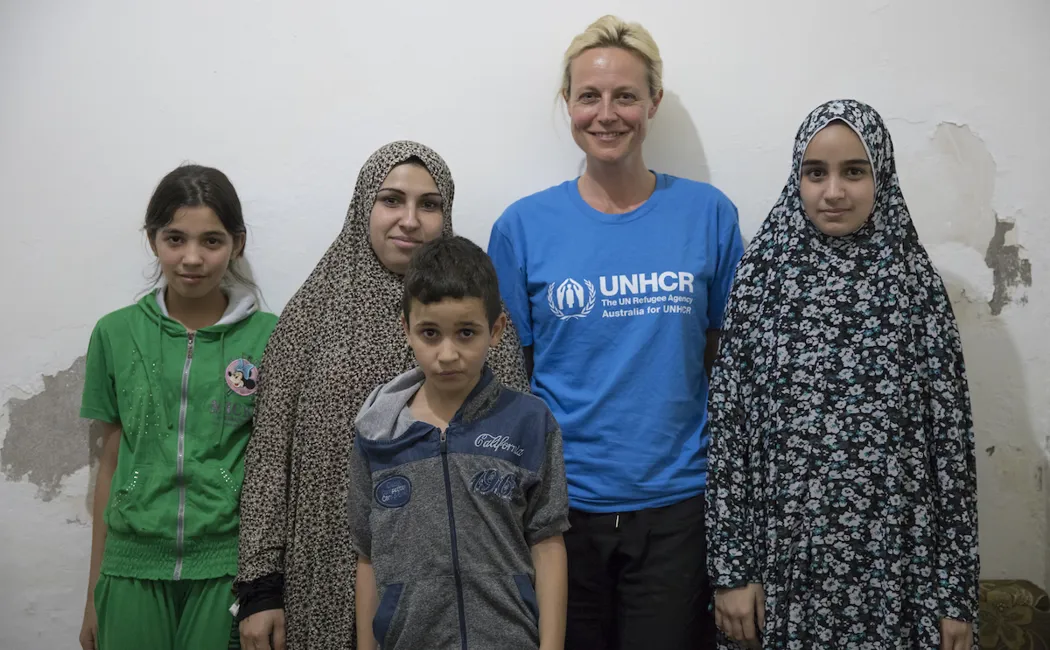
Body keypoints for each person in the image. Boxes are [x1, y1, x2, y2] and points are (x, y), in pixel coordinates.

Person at [486, 15, 745, 650]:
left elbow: (728, 361)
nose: (607, 114)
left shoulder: (708, 214)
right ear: (568, 104)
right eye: (589, 96)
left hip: (678, 505)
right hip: (559, 513)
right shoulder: (522, 227)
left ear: (653, 101)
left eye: (626, 95)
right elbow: (508, 379)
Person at [705, 99, 980, 650]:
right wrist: (732, 570)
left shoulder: (915, 287)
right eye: (816, 173)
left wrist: (957, 596)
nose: (833, 191)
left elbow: (949, 449)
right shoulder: (761, 283)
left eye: (854, 171)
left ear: (882, 175)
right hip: (784, 572)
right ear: (797, 179)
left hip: (901, 577)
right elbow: (729, 435)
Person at [235, 142, 531, 650]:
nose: (410, 221)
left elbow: (516, 450)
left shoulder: (476, 315)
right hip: (325, 580)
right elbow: (268, 457)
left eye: (430, 205)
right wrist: (261, 588)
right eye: (392, 200)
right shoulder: (309, 318)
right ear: (362, 207)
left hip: (453, 589)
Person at [78, 164, 278, 650]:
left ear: (238, 244)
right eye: (175, 239)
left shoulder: (269, 337)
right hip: (130, 565)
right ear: (153, 240)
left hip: (227, 566)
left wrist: (267, 585)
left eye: (211, 241)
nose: (192, 258)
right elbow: (108, 461)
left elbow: (275, 468)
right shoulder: (115, 333)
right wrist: (93, 593)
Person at [349, 235, 569, 650]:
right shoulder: (377, 435)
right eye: (430, 333)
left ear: (497, 329)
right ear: (406, 330)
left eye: (466, 333)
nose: (447, 354)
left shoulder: (530, 422)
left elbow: (548, 542)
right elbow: (367, 555)